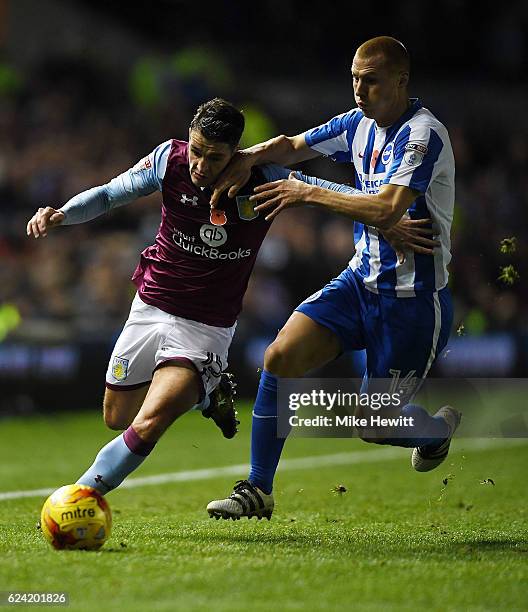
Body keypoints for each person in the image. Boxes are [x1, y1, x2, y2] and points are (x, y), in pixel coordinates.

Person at [26, 97, 426, 496]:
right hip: (150, 306)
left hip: (205, 328)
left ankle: (78, 496)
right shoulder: (169, 160)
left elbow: (330, 192)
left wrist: (387, 221)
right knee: (117, 417)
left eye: (215, 157)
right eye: (197, 151)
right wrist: (62, 213)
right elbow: (111, 193)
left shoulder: (265, 179)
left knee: (149, 423)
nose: (201, 165)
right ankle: (208, 396)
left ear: (236, 153)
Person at [206, 37, 460, 521]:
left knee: (371, 424)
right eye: (354, 78)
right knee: (279, 356)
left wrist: (306, 193)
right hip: (358, 284)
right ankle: (258, 490)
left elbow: (387, 207)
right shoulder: (358, 123)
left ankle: (436, 432)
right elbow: (294, 145)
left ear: (401, 82)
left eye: (371, 80)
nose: (359, 89)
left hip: (412, 300)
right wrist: (249, 156)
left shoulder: (423, 135)